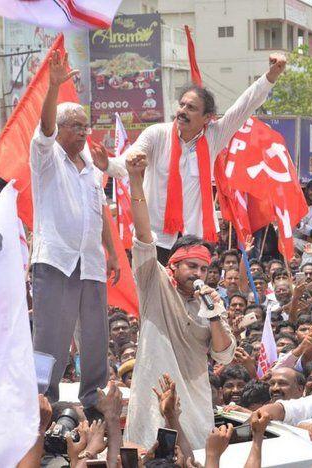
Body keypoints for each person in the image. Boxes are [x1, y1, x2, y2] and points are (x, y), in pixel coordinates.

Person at [98, 53, 287, 263]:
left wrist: (271, 75)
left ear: (207, 118)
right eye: (182, 105)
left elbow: (244, 105)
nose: (183, 111)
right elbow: (126, 164)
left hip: (193, 243)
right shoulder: (156, 134)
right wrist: (107, 164)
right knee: (150, 296)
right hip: (153, 239)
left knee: (189, 295)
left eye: (191, 108)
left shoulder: (214, 135)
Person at [124, 149, 235, 449]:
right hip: (151, 401)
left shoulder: (211, 301)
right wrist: (136, 180)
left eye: (204, 268)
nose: (198, 273)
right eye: (192, 266)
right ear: (173, 265)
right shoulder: (155, 282)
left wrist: (212, 315)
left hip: (194, 405)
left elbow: (223, 356)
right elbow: (144, 235)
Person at [29, 50, 119, 413]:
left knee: (96, 337)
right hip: (56, 260)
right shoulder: (46, 158)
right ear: (61, 129)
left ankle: (93, 398)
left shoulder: (92, 169)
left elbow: (101, 213)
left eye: (86, 126)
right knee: (50, 337)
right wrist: (53, 87)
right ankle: (41, 400)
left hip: (91, 262)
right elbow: (45, 127)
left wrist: (111, 252)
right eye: (76, 126)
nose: (84, 132)